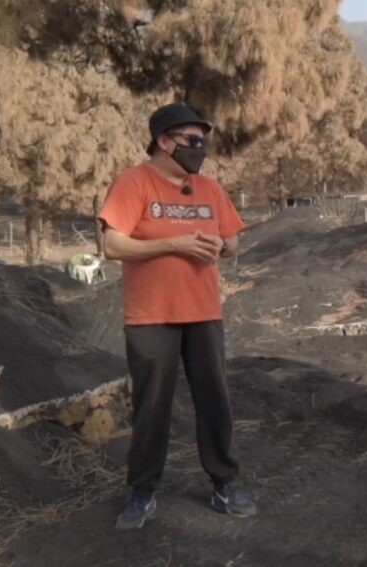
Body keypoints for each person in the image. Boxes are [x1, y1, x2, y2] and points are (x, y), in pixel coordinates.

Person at [99, 103, 256, 530]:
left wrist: (219, 245)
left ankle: (225, 483)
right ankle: (143, 491)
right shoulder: (134, 184)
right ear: (164, 142)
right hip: (152, 316)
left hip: (203, 312)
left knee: (215, 400)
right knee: (152, 405)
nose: (200, 149)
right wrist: (174, 244)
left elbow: (232, 243)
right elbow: (112, 245)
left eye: (203, 141)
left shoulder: (209, 188)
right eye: (192, 140)